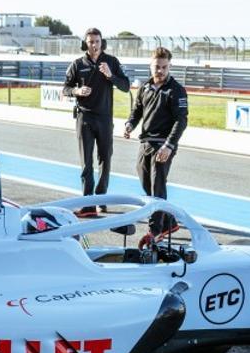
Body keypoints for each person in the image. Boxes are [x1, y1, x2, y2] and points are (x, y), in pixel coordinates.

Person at [62, 28, 129, 217]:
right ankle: (87, 202)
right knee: (86, 163)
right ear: (85, 43)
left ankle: (101, 198)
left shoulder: (112, 62)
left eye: (97, 41)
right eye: (91, 42)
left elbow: (125, 86)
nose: (94, 45)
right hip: (84, 118)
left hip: (105, 118)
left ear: (102, 42)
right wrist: (76, 91)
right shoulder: (77, 64)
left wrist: (110, 76)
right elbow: (65, 88)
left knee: (105, 159)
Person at [124, 46, 188, 242]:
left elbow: (181, 120)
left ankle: (155, 230)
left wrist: (169, 145)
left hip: (164, 145)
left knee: (157, 186)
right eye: (157, 67)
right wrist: (129, 124)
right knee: (146, 183)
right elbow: (137, 111)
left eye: (164, 67)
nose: (160, 71)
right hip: (146, 142)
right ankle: (169, 222)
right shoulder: (145, 87)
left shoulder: (176, 90)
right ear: (150, 66)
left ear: (169, 67)